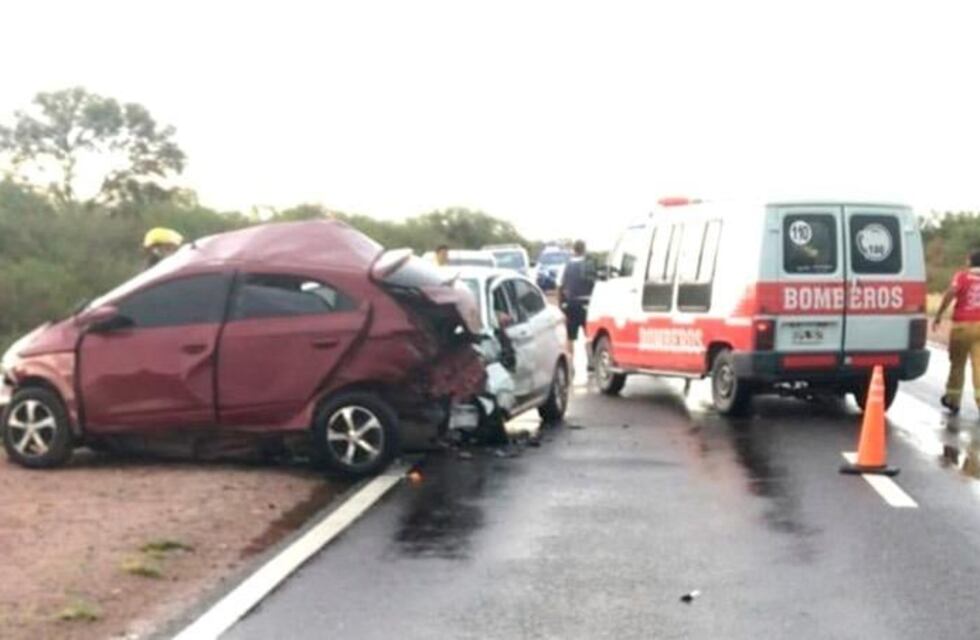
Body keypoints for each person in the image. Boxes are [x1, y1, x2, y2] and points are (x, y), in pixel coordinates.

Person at [932, 248, 980, 415]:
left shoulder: (962, 277)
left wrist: (938, 315)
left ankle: (953, 400)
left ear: (969, 261)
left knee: (957, 364)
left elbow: (951, 293)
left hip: (962, 326)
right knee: (979, 365)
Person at [558, 240, 595, 358]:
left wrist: (560, 305)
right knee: (590, 335)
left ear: (574, 250)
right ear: (584, 250)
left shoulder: (565, 266)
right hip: (587, 304)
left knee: (570, 337)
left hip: (571, 304)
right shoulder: (590, 266)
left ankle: (570, 361)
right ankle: (591, 362)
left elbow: (559, 286)